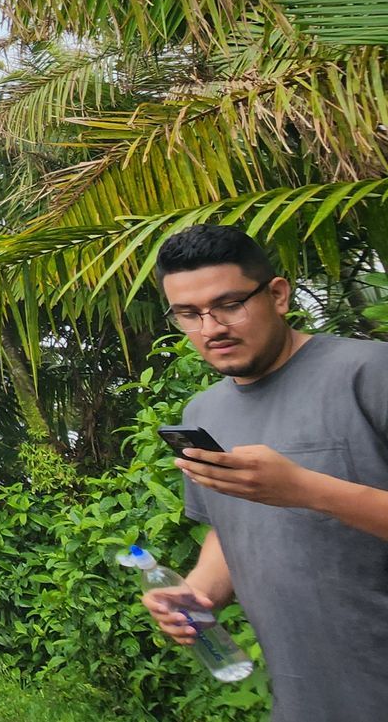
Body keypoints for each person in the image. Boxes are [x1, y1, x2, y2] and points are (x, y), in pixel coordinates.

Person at [140, 224, 388, 720]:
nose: (211, 328)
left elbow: (296, 496)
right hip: (303, 699)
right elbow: (229, 527)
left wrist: (304, 488)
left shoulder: (371, 373)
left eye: (230, 304)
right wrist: (200, 592)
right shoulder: (202, 415)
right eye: (189, 314)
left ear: (277, 294)